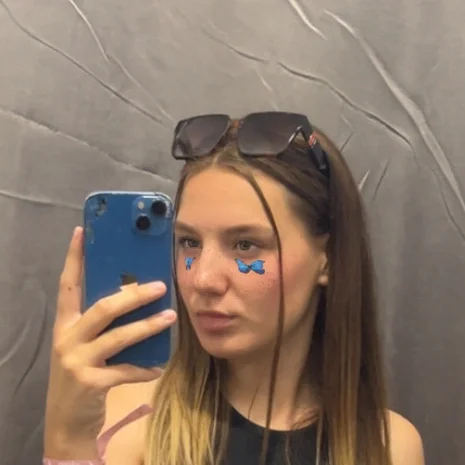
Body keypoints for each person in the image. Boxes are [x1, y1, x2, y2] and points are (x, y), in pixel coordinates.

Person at [43, 112, 425, 465]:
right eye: (190, 242)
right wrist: (68, 443)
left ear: (328, 259)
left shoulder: (387, 447)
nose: (203, 280)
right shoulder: (129, 423)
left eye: (245, 245)